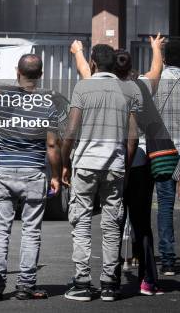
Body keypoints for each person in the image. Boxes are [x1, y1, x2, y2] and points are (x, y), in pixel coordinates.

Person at [71, 36, 166, 296]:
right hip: (130, 164)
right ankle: (131, 281)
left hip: (100, 163)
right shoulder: (137, 87)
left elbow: (83, 70)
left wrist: (78, 51)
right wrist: (157, 49)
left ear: (100, 65)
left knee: (96, 223)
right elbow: (155, 73)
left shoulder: (91, 86)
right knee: (133, 224)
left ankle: (94, 280)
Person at [0, 54, 61, 300]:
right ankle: (26, 285)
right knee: (31, 231)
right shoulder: (48, 105)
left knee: (1, 229)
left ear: (17, 72)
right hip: (33, 173)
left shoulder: (3, 98)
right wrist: (56, 175)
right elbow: (52, 145)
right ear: (41, 74)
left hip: (4, 171)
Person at [62, 44, 141, 302]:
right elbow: (132, 137)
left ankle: (82, 282)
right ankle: (109, 283)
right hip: (115, 165)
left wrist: (65, 162)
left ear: (93, 62)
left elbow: (71, 130)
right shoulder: (128, 90)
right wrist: (126, 166)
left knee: (81, 221)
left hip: (85, 164)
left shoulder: (83, 87)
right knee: (111, 225)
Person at [154, 39, 180, 275]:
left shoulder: (153, 82)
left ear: (163, 58)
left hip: (162, 151)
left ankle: (168, 259)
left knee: (165, 204)